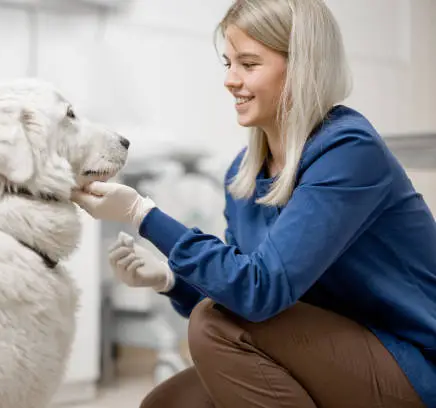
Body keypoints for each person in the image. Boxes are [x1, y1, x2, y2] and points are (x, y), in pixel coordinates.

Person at [71, 0, 436, 407]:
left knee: (213, 325)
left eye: (248, 63)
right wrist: (169, 280)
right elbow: (237, 298)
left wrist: (142, 214)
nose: (230, 79)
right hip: (329, 352)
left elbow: (257, 294)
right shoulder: (243, 175)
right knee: (167, 403)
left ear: (302, 67)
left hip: (413, 365)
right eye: (227, 63)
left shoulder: (349, 152)